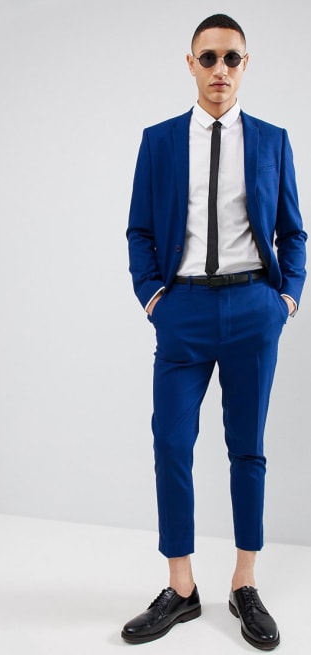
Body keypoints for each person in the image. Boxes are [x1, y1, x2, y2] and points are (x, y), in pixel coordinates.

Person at [122, 13, 306, 650]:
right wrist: (154, 298)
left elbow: (293, 230)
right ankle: (181, 589)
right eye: (209, 58)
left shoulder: (273, 140)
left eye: (231, 58)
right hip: (184, 312)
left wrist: (286, 298)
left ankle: (244, 583)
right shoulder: (160, 141)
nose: (220, 69)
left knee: (246, 448)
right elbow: (139, 229)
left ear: (245, 64)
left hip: (254, 307)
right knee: (171, 442)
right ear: (191, 63)